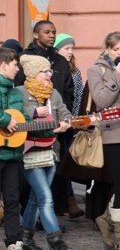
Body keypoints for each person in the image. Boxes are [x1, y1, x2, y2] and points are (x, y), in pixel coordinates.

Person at [0, 48, 65, 250]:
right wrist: (4, 119)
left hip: (12, 152)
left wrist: (52, 129)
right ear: (4, 64)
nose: (17, 69)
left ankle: (14, 242)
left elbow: (24, 123)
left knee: (12, 200)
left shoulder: (13, 92)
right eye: (15, 65)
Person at [16, 55, 74, 250]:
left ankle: (27, 239)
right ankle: (55, 240)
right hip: (28, 151)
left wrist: (67, 122)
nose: (50, 74)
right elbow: (14, 118)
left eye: (50, 70)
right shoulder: (19, 93)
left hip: (51, 150)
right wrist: (34, 115)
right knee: (46, 197)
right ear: (33, 73)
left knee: (36, 197)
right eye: (45, 71)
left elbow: (65, 113)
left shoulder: (54, 94)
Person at [88, 31, 120, 249]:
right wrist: (116, 75)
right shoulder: (96, 69)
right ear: (107, 49)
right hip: (112, 134)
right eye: (117, 49)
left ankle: (107, 219)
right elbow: (101, 100)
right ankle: (118, 233)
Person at [53, 33, 86, 219]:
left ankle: (69, 199)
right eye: (66, 48)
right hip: (54, 122)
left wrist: (74, 120)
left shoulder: (75, 71)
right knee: (59, 162)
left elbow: (78, 96)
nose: (70, 52)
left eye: (72, 48)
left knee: (67, 162)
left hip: (70, 123)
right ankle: (67, 199)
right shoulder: (52, 68)